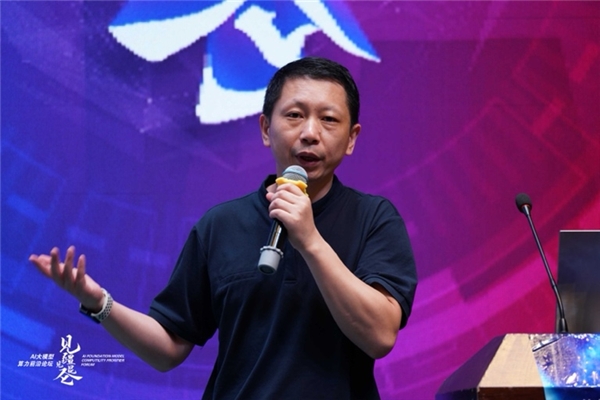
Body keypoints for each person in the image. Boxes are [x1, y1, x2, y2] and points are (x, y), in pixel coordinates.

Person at [30, 57, 417, 399]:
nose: (310, 133)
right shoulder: (221, 224)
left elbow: (380, 336)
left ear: (351, 139)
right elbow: (168, 347)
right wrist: (99, 303)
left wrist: (310, 240)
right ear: (265, 128)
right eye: (295, 115)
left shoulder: (375, 219)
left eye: (329, 119)